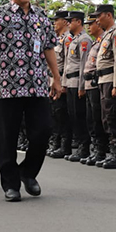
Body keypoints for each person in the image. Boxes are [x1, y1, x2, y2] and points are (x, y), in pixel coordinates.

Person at [0, 0, 62, 202]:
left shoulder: (41, 16)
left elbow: (48, 48)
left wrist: (56, 77)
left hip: (37, 85)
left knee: (43, 131)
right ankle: (10, 184)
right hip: (7, 86)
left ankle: (28, 173)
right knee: (6, 137)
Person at [93, 4, 116, 169]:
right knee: (106, 118)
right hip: (103, 80)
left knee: (113, 117)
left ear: (108, 15)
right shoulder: (106, 35)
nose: (97, 20)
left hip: (111, 80)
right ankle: (113, 153)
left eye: (99, 16)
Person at [62, 11, 92, 163]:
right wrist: (63, 84)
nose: (68, 24)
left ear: (79, 22)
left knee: (80, 116)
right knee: (73, 115)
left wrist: (82, 86)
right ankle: (81, 145)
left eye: (71, 21)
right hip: (70, 82)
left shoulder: (85, 39)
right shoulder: (74, 40)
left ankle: (84, 147)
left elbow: (83, 64)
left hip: (77, 83)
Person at [81, 14, 109, 165]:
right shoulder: (96, 42)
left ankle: (101, 150)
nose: (89, 26)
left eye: (91, 23)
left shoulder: (105, 39)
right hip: (89, 84)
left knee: (99, 119)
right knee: (91, 119)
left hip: (97, 83)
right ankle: (96, 149)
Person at [48, 11, 71, 159]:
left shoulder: (68, 39)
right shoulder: (57, 39)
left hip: (62, 80)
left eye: (57, 20)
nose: (54, 23)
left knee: (62, 115)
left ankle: (64, 146)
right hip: (52, 80)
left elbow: (68, 63)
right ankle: (55, 143)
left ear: (64, 21)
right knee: (54, 114)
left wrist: (63, 83)